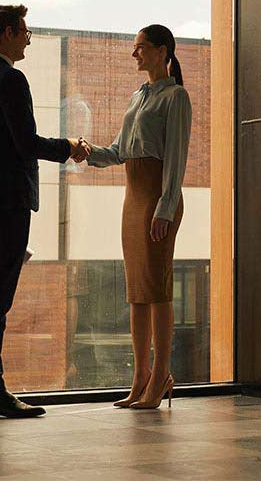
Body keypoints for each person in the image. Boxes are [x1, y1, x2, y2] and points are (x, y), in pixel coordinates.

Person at [0, 4, 91, 419]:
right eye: (26, 32)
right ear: (10, 33)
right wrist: (69, 147)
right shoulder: (10, 79)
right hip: (6, 201)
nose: (28, 39)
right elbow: (25, 142)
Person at [84, 24, 192, 410]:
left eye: (141, 47)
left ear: (163, 51)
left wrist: (165, 207)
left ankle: (161, 375)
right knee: (138, 292)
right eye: (135, 48)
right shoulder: (137, 97)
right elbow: (118, 151)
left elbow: (176, 159)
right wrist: (86, 151)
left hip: (156, 200)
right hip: (133, 199)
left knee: (158, 289)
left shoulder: (175, 97)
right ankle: (141, 377)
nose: (135, 54)